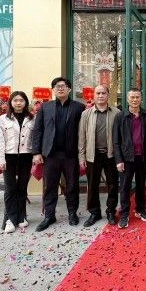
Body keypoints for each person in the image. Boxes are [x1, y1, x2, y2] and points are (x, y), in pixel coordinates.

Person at [31, 77, 85, 232]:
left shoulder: (79, 107)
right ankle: (49, 216)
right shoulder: (45, 107)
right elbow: (38, 130)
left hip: (70, 154)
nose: (60, 88)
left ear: (69, 89)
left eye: (63, 86)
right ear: (53, 90)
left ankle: (72, 213)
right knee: (50, 186)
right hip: (50, 154)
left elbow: (83, 131)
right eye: (56, 86)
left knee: (72, 185)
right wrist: (36, 152)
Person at [0, 91, 35, 233]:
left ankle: (21, 217)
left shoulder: (32, 119)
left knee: (22, 187)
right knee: (10, 188)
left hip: (26, 156)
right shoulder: (3, 119)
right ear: (10, 102)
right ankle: (9, 219)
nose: (18, 103)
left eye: (21, 100)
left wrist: (36, 155)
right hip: (9, 157)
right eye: (15, 100)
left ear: (25, 102)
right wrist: (0, 159)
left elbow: (35, 139)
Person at [112, 88, 146, 229]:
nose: (135, 99)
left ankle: (140, 210)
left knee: (141, 186)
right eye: (132, 97)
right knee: (125, 187)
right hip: (126, 158)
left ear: (141, 99)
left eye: (137, 97)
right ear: (127, 99)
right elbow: (116, 141)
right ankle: (124, 214)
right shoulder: (120, 116)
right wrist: (118, 160)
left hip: (142, 157)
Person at [78, 85, 120, 227]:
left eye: (103, 93)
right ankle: (94, 212)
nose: (101, 96)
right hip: (92, 155)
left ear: (108, 95)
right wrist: (82, 157)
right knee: (92, 184)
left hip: (111, 155)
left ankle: (111, 211)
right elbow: (81, 137)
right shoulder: (86, 114)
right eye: (98, 93)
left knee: (112, 185)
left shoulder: (116, 113)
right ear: (94, 96)